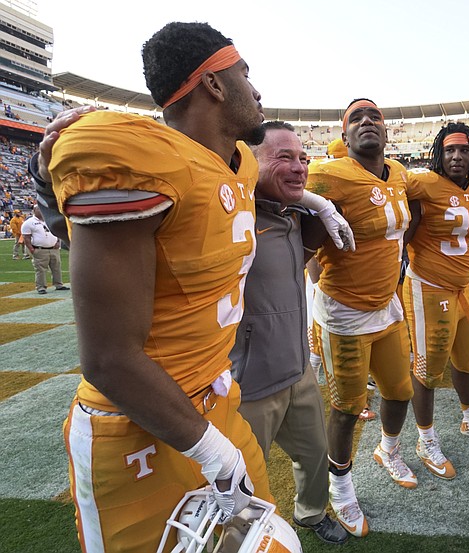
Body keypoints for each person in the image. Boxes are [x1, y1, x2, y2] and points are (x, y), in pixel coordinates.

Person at [45, 23, 275, 552]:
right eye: (245, 74)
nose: (257, 90)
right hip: (135, 428)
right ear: (214, 85)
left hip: (216, 402)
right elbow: (108, 358)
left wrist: (316, 203)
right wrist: (212, 451)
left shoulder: (237, 165)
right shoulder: (136, 155)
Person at [230, 121, 350, 545]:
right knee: (242, 481)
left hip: (298, 370)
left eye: (303, 158)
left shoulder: (292, 217)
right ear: (250, 162)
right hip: (249, 382)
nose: (299, 167)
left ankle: (311, 513)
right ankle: (245, 539)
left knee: (315, 455)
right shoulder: (231, 214)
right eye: (284, 157)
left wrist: (320, 205)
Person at [305, 98, 414, 538]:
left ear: (386, 133)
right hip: (344, 311)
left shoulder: (401, 174)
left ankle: (388, 450)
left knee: (400, 390)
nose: (368, 121)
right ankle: (341, 487)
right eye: (356, 119)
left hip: (387, 304)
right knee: (347, 409)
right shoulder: (327, 176)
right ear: (344, 136)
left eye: (375, 116)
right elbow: (288, 202)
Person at [404, 123, 469, 482]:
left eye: (463, 151)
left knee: (467, 361)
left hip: (463, 289)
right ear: (439, 154)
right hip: (427, 287)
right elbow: (402, 238)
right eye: (449, 151)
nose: (456, 157)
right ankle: (425, 439)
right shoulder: (423, 185)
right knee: (427, 369)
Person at [20, 203, 68, 294]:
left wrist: (58, 242)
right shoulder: (29, 223)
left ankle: (58, 284)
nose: (41, 210)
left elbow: (57, 231)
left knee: (56, 267)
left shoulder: (48, 220)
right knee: (41, 269)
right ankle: (41, 287)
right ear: (34, 211)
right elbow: (26, 238)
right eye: (38, 209)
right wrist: (32, 249)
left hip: (54, 248)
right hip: (40, 249)